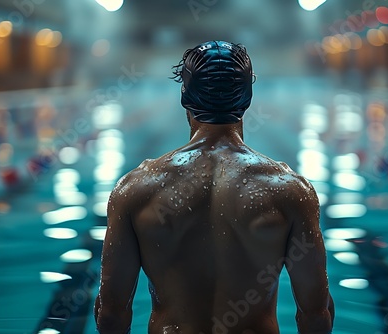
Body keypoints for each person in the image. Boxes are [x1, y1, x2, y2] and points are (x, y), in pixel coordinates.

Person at [94, 41, 334, 334]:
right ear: (247, 98)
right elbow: (315, 314)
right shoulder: (289, 190)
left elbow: (111, 314)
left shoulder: (137, 189)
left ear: (185, 97)